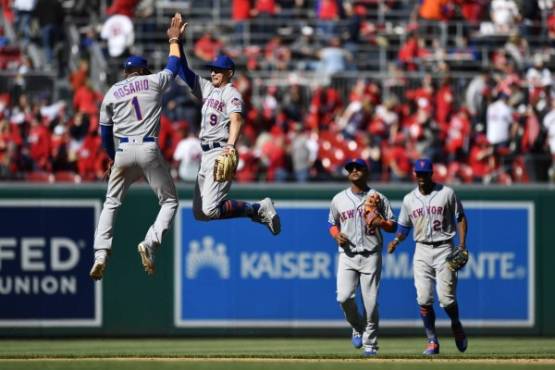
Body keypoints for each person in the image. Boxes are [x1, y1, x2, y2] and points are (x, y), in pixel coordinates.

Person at [89, 13, 185, 281]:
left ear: (126, 72)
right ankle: (150, 242)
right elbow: (174, 65)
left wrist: (111, 157)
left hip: (121, 152)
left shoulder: (112, 91)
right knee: (169, 201)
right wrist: (174, 39)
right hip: (147, 149)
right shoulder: (153, 82)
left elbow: (105, 133)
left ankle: (100, 254)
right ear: (143, 70)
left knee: (111, 203)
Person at [175, 15, 280, 235]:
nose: (213, 72)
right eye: (212, 69)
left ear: (228, 73)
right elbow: (184, 71)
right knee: (200, 214)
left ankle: (258, 208)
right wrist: (177, 42)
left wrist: (231, 145)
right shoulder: (208, 88)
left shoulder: (231, 92)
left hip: (221, 150)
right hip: (206, 155)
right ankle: (257, 209)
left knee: (211, 209)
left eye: (218, 70)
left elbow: (237, 119)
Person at [387, 158, 468, 355]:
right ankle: (432, 340)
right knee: (423, 298)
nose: (421, 177)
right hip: (421, 249)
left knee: (447, 300)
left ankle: (456, 324)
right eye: (418, 173)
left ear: (431, 174)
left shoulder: (447, 193)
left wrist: (462, 244)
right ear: (414, 174)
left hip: (444, 248)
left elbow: (460, 217)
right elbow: (404, 226)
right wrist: (397, 240)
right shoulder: (409, 199)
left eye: (425, 173)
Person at [328, 158, 396, 356]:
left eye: (358, 168)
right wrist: (335, 235)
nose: (354, 170)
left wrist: (381, 222)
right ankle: (358, 327)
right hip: (347, 254)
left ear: (366, 172)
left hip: (371, 254)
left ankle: (371, 344)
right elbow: (332, 222)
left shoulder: (378, 197)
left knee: (371, 302)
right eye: (351, 168)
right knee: (344, 297)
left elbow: (394, 226)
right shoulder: (338, 199)